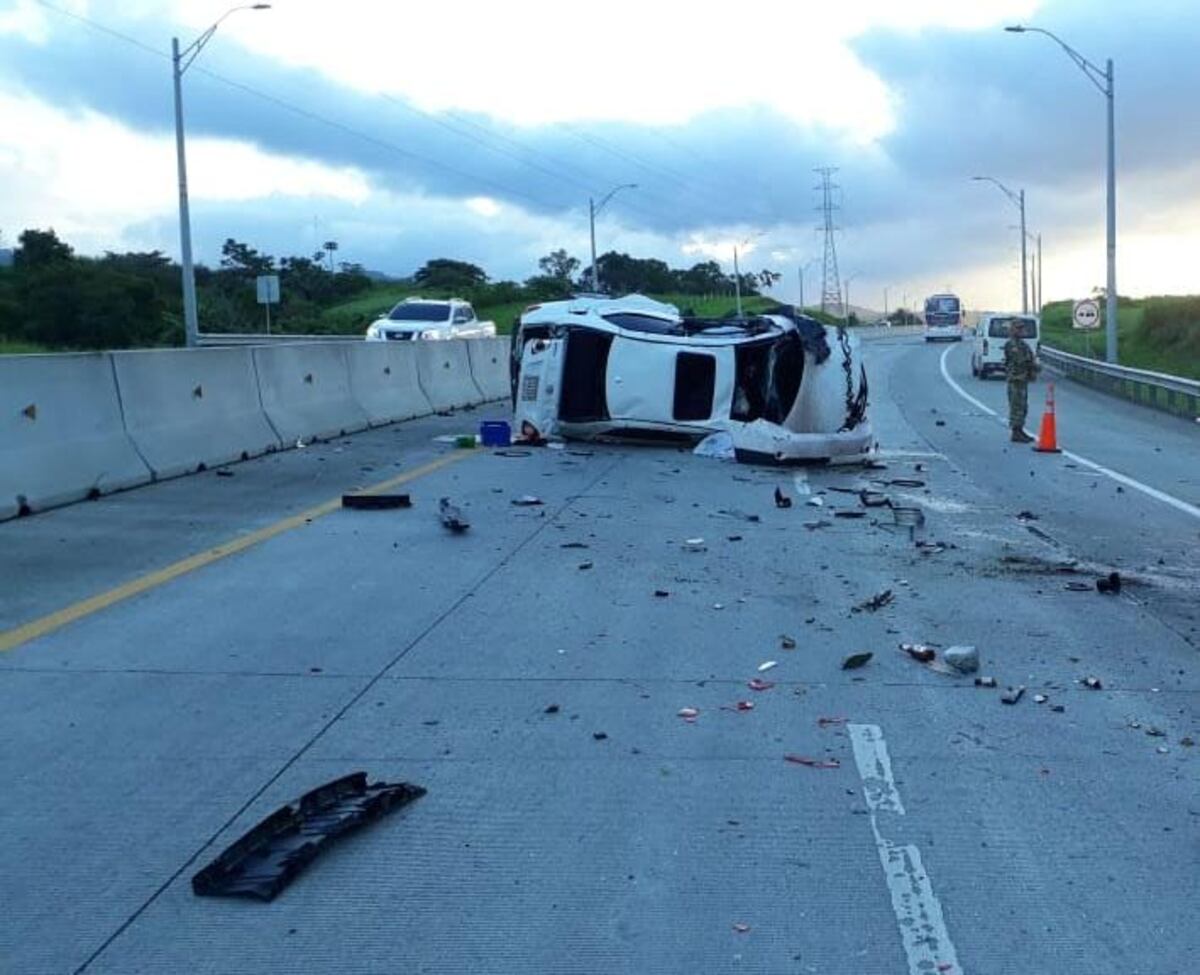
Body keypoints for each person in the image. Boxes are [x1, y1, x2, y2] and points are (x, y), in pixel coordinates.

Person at [1005, 320, 1037, 442]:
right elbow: (1020, 360)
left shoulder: (1022, 344)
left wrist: (1033, 366)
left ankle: (1020, 430)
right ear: (1013, 330)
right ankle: (1016, 432)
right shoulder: (1012, 344)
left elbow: (1030, 357)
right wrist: (1033, 365)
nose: (1021, 331)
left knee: (1023, 406)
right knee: (1017, 406)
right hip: (1016, 379)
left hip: (1022, 379)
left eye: (1022, 328)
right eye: (1018, 328)